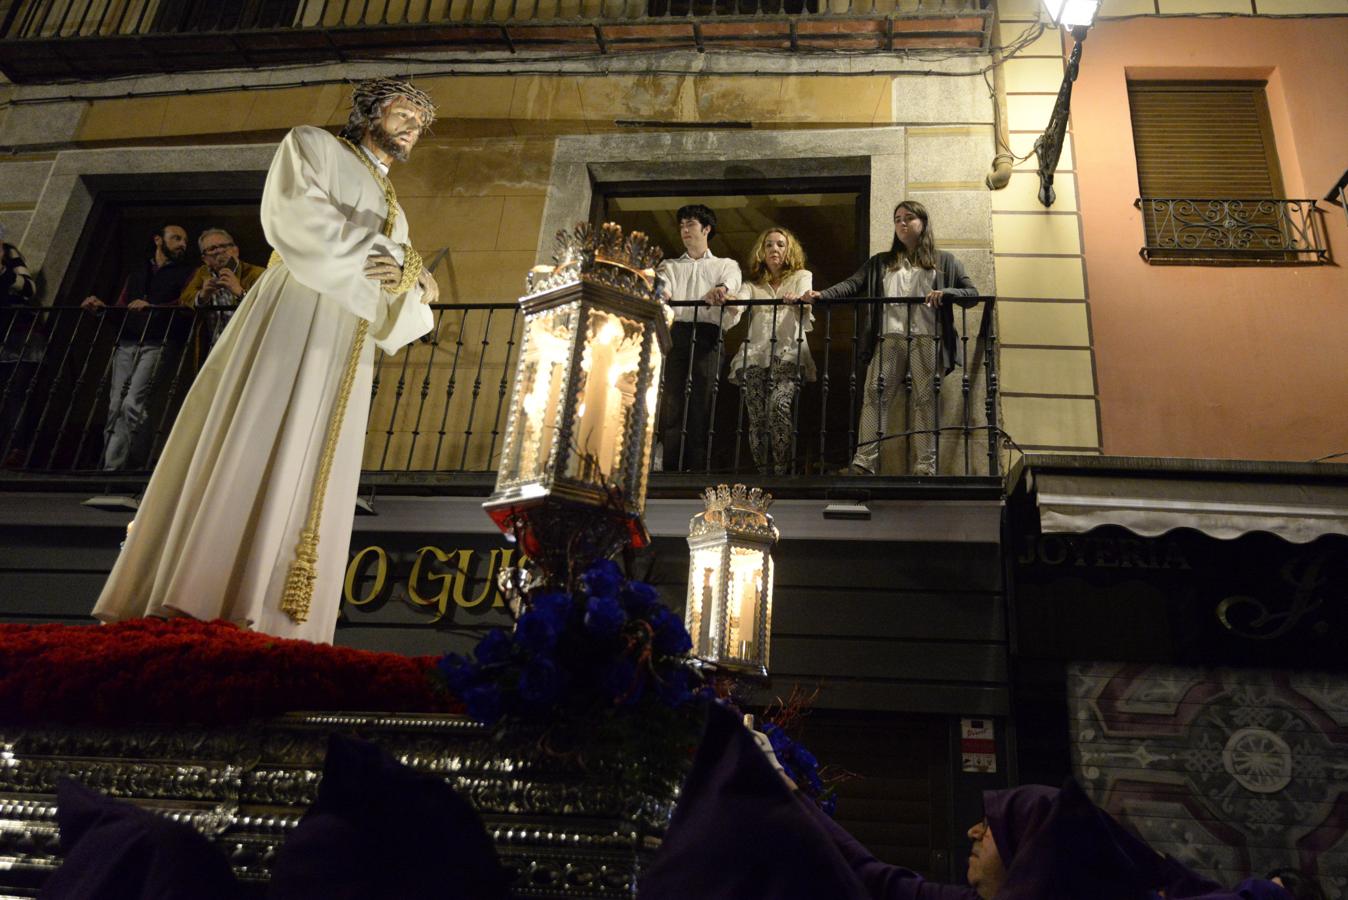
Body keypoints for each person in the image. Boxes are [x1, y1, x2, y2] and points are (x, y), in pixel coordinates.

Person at [92, 78, 438, 643]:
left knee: (314, 455)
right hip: (297, 305)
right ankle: (205, 593)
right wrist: (402, 262)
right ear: (370, 112)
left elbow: (391, 281)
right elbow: (300, 217)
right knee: (262, 425)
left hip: (344, 337)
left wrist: (417, 288)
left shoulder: (396, 209)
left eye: (420, 124)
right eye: (404, 113)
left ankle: (282, 619)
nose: (412, 128)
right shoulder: (313, 145)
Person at [795, 200, 978, 476]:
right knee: (873, 396)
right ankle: (864, 462)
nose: (902, 223)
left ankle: (925, 467)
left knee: (925, 399)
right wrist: (822, 295)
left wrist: (949, 292)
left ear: (923, 223)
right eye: (897, 219)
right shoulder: (882, 261)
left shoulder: (945, 261)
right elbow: (852, 284)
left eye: (908, 218)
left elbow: (972, 294)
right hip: (889, 338)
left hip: (927, 338)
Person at [82, 224, 196, 470]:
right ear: (158, 240)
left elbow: (185, 303)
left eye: (184, 240)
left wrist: (152, 306)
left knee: (133, 402)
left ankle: (129, 466)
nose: (182, 244)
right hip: (128, 341)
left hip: (159, 342)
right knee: (116, 404)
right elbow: (123, 304)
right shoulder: (138, 270)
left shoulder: (187, 272)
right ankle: (113, 467)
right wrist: (101, 308)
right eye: (176, 238)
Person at [655, 204, 742, 472]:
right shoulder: (669, 265)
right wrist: (662, 294)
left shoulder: (725, 264)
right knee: (672, 400)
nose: (684, 230)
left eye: (690, 224)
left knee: (703, 401)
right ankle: (671, 465)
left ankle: (699, 464)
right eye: (681, 225)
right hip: (677, 333)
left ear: (706, 229)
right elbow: (662, 288)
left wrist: (721, 290)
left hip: (708, 335)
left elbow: (730, 282)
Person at [729, 227, 814, 475]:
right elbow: (739, 306)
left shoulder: (801, 276)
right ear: (762, 252)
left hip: (788, 351)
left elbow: (805, 308)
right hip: (755, 354)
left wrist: (798, 300)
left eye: (780, 244)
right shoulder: (752, 285)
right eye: (768, 245)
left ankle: (780, 470)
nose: (774, 249)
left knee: (778, 406)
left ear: (789, 250)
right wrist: (730, 300)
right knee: (757, 416)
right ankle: (763, 473)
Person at [180, 227, 266, 356]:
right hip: (214, 346)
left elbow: (269, 304)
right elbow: (185, 298)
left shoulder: (257, 273)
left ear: (235, 250)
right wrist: (203, 296)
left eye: (224, 246)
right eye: (212, 249)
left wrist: (240, 292)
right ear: (205, 258)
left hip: (249, 345)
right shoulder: (202, 273)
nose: (219, 251)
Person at [1, 225, 42, 468]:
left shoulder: (9, 253)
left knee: (16, 394)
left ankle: (15, 450)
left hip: (18, 336)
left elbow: (29, 288)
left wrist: (2, 270)